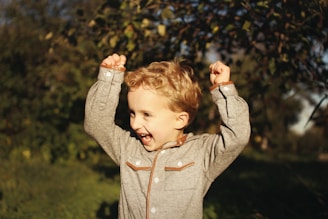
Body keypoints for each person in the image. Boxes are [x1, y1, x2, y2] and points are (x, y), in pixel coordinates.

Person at [84, 53, 250, 219]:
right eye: (132, 113)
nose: (135, 124)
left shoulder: (201, 153)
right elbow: (96, 123)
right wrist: (108, 79)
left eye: (146, 115)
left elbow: (237, 136)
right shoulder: (128, 148)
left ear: (179, 120)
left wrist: (224, 90)